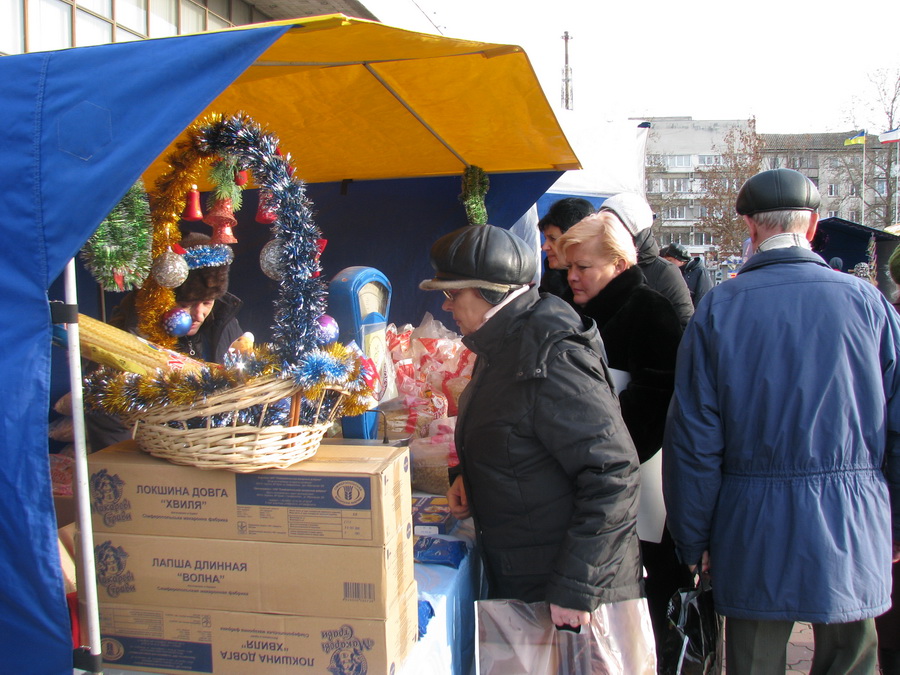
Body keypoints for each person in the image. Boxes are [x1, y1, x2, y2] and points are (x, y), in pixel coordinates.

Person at [663, 168, 900, 674]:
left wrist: (694, 539)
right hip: (852, 520)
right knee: (852, 657)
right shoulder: (870, 305)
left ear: (750, 228)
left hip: (751, 527)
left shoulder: (718, 310)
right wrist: (894, 522)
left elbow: (694, 441)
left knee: (752, 661)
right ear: (812, 226)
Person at [419, 225, 652, 655]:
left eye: (453, 294)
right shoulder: (504, 342)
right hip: (531, 573)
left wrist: (577, 585)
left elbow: (613, 472)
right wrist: (469, 476)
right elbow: (513, 432)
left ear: (490, 293)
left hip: (569, 595)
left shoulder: (552, 354)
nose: (446, 306)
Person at [557, 212, 691, 654]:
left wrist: (601, 446)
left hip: (641, 486)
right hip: (603, 475)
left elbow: (658, 398)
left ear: (618, 262)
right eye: (569, 267)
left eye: (584, 267)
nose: (573, 276)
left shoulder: (649, 309)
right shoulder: (582, 310)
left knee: (646, 609)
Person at [85, 231, 243, 450]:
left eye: (207, 303)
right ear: (163, 298)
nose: (198, 315)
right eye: (185, 304)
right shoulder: (127, 337)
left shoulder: (225, 324)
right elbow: (105, 418)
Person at [598, 193, 694, 327]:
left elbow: (685, 325)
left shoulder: (665, 272)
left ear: (635, 232)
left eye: (614, 226)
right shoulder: (597, 266)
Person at [536, 196, 594, 299]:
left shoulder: (604, 289)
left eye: (553, 239)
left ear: (577, 241)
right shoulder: (550, 284)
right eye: (545, 239)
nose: (544, 247)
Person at [659, 242, 714, 307]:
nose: (668, 263)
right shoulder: (671, 272)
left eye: (670, 260)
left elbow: (703, 296)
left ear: (680, 260)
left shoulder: (699, 271)